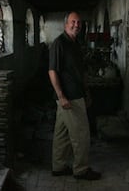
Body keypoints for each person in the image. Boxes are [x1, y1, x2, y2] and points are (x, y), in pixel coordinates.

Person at [48, 11, 101, 181]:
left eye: (79, 22)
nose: (76, 25)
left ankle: (58, 166)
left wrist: (86, 91)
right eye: (73, 22)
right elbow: (52, 71)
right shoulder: (59, 43)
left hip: (77, 94)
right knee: (81, 135)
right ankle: (81, 170)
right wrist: (61, 96)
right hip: (69, 98)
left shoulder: (75, 43)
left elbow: (79, 72)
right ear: (66, 24)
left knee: (61, 134)